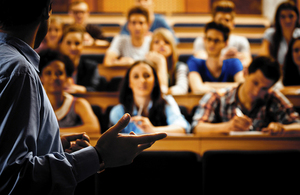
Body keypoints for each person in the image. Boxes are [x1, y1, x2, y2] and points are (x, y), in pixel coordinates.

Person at [0, 0, 167, 194]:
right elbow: (13, 178)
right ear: (47, 10)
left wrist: (52, 145)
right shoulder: (19, 71)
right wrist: (99, 155)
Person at [192, 56, 300, 135]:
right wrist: (227, 127)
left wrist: (283, 129)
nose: (256, 92)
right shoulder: (218, 97)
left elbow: (297, 125)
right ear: (245, 73)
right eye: (255, 83)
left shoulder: (273, 98)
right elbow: (197, 128)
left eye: (264, 88)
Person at [110, 60, 190, 134]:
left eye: (147, 76)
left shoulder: (166, 102)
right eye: (136, 76)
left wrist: (152, 130)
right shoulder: (118, 111)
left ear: (155, 81)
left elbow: (182, 129)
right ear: (129, 83)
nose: (142, 80)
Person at [39, 49, 100, 134]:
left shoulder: (78, 103)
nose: (54, 78)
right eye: (48, 73)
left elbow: (94, 128)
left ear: (67, 77)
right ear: (41, 77)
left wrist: (54, 133)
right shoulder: (35, 104)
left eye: (59, 73)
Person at [188, 21, 244, 94]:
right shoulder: (194, 62)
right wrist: (230, 87)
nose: (212, 44)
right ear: (204, 40)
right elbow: (197, 89)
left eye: (216, 40)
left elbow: (242, 87)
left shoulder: (234, 63)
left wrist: (207, 85)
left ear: (226, 43)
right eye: (209, 39)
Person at [193, 0, 251, 67]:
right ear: (214, 22)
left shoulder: (241, 41)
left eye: (227, 20)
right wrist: (227, 59)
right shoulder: (203, 41)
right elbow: (202, 63)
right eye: (220, 20)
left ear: (233, 24)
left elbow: (247, 63)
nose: (223, 23)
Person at [59, 24, 104, 93]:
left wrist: (76, 88)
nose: (72, 47)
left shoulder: (91, 66)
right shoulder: (54, 66)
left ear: (82, 46)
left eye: (77, 43)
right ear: (61, 44)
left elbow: (94, 90)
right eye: (68, 43)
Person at [147, 28, 189, 95]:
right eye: (156, 42)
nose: (161, 44)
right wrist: (161, 61)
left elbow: (182, 89)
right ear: (151, 46)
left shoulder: (180, 66)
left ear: (172, 47)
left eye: (166, 42)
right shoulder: (145, 67)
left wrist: (161, 62)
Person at [260, 1, 300, 66]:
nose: (287, 20)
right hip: (277, 73)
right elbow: (263, 58)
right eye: (283, 17)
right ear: (277, 19)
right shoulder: (270, 34)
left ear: (297, 17)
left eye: (291, 16)